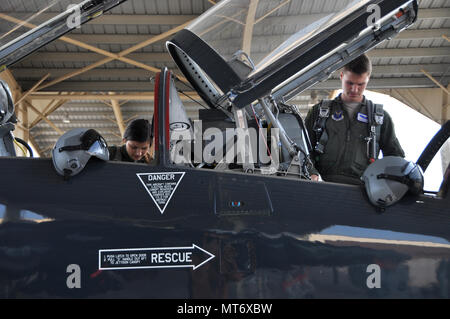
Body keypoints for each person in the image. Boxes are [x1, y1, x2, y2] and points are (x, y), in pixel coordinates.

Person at [304, 54, 405, 185]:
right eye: (349, 83)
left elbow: (395, 158)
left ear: (368, 79)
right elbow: (303, 148)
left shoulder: (380, 119)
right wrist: (311, 171)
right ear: (341, 76)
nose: (354, 89)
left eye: (360, 84)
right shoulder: (319, 112)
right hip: (322, 185)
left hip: (361, 191)